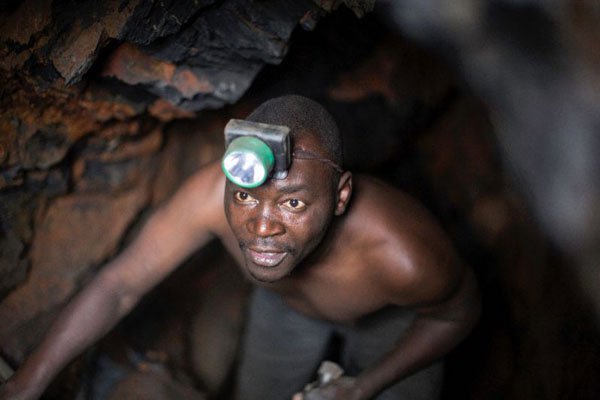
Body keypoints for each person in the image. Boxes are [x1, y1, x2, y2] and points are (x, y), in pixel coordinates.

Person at [0, 95, 480, 400]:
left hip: (393, 322)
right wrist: (24, 387)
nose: (262, 226)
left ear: (341, 196)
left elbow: (455, 314)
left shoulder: (403, 254)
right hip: (287, 308)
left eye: (293, 201)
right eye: (246, 196)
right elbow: (120, 283)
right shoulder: (209, 198)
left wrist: (362, 388)